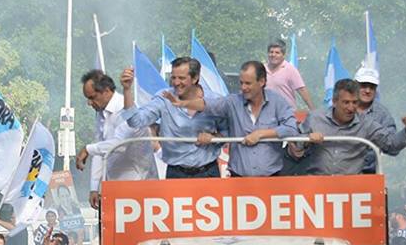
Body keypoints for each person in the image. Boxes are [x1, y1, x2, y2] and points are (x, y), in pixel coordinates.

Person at [164, 61, 299, 178]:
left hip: (273, 178)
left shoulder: (278, 101)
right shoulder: (232, 101)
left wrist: (261, 134)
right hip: (237, 179)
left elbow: (291, 129)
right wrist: (183, 104)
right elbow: (208, 105)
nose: (243, 88)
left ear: (262, 82)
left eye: (248, 83)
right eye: (241, 83)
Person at [124, 57, 227, 178]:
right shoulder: (164, 98)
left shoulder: (215, 100)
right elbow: (135, 122)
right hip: (176, 174)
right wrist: (127, 89)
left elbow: (227, 132)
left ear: (195, 78)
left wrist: (214, 138)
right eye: (173, 77)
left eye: (182, 78)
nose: (176, 82)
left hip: (209, 172)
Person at [289, 78, 406, 175]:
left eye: (355, 103)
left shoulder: (366, 123)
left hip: (352, 190)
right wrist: (306, 140)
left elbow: (391, 144)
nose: (351, 108)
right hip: (315, 186)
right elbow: (293, 149)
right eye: (346, 102)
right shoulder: (315, 118)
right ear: (334, 101)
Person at [75, 69, 155, 209]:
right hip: (113, 186)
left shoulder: (126, 109)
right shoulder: (100, 113)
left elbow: (119, 145)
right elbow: (100, 148)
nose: (89, 103)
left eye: (92, 97)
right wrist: (94, 187)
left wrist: (87, 149)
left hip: (138, 185)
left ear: (106, 91)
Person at [353, 66, 397, 173]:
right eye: (363, 86)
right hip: (336, 173)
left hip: (368, 176)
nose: (368, 91)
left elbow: (394, 147)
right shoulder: (340, 108)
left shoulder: (382, 114)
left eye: (372, 87)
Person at [264, 38, 315, 110]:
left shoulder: (290, 69)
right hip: (267, 114)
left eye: (277, 52)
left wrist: (313, 111)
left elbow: (302, 90)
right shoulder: (261, 69)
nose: (273, 55)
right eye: (271, 52)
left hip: (287, 114)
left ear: (283, 55)